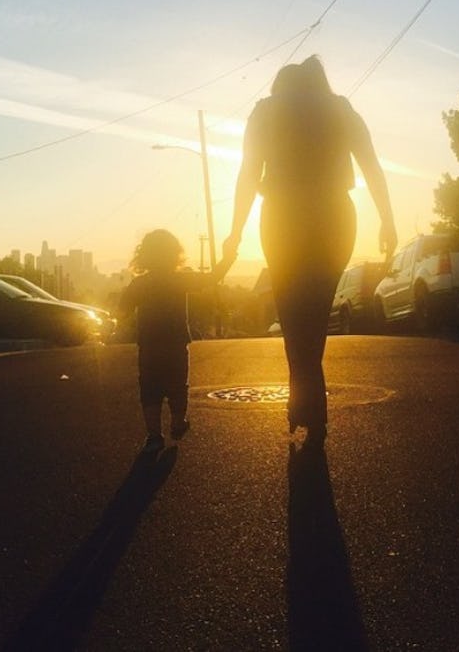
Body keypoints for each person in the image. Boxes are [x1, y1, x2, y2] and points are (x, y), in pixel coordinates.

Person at [223, 55, 397, 450]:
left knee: (291, 312)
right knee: (315, 314)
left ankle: (305, 402)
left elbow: (248, 172)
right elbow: (372, 166)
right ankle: (307, 403)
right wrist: (387, 220)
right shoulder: (341, 108)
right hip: (334, 215)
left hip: (282, 216)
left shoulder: (265, 111)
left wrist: (234, 234)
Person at [119, 229, 235, 454]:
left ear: (144, 255)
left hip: (149, 345)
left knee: (150, 389)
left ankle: (154, 435)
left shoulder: (140, 284)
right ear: (175, 254)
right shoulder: (180, 279)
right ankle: (177, 422)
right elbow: (213, 277)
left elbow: (123, 310)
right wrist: (229, 256)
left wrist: (125, 321)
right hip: (175, 343)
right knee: (177, 385)